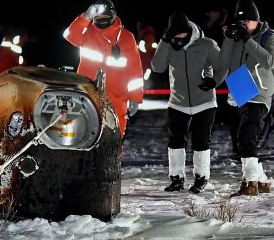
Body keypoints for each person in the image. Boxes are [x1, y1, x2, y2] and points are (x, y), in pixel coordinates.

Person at [151, 12, 228, 194]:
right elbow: (157, 66)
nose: (179, 38)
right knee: (175, 142)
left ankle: (201, 178)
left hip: (205, 102)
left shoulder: (207, 44)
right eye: (175, 34)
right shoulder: (169, 45)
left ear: (188, 30)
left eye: (182, 34)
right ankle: (177, 179)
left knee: (201, 141)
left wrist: (214, 82)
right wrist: (164, 41)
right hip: (177, 102)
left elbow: (223, 66)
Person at [219, 0, 274, 197]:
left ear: (256, 20)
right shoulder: (238, 37)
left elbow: (271, 62)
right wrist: (229, 39)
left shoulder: (270, 37)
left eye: (247, 21)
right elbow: (223, 63)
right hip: (239, 92)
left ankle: (250, 184)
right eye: (240, 21)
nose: (243, 25)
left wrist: (248, 40)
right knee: (242, 141)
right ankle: (262, 181)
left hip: (259, 93)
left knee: (247, 137)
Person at [63, 0, 144, 138]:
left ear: (113, 16)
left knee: (114, 136)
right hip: (87, 94)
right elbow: (69, 36)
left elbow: (135, 71)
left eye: (105, 18)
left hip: (117, 97)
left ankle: (113, 160)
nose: (102, 21)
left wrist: (135, 98)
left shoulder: (126, 37)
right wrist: (84, 17)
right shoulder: (86, 31)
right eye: (98, 18)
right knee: (83, 135)